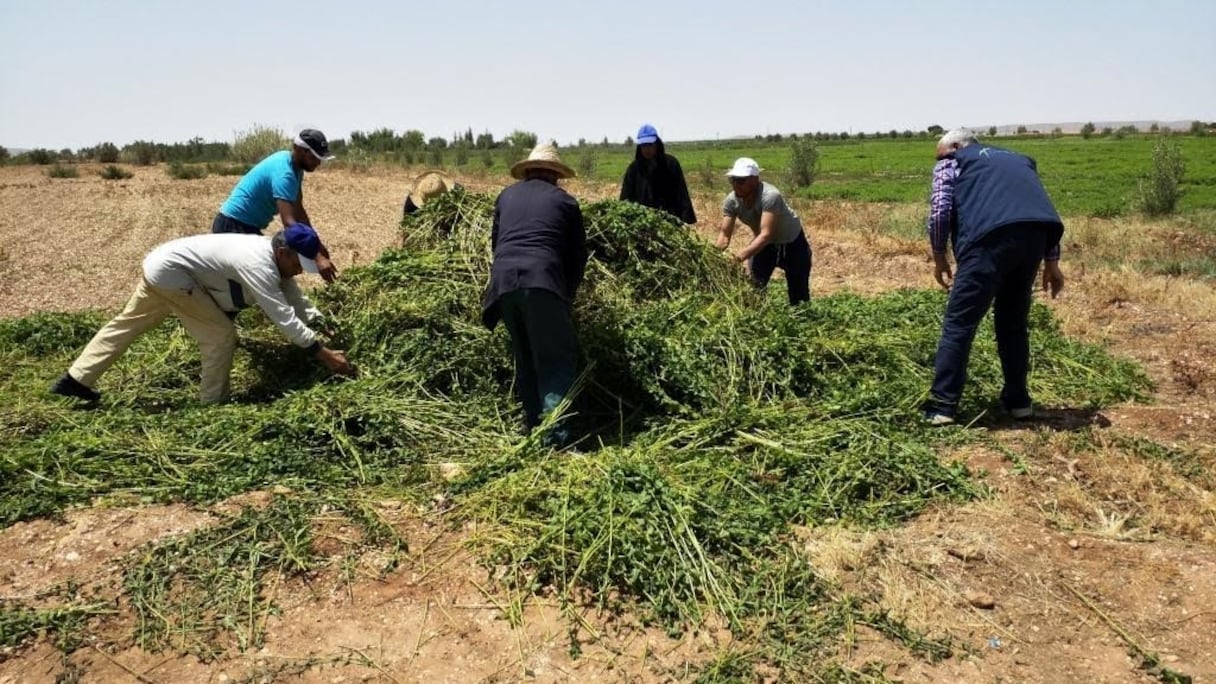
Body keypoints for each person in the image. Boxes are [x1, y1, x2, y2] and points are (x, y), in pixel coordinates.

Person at [49, 225, 354, 405]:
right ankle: (212, 405)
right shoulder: (258, 264)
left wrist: (320, 323)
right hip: (174, 277)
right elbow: (282, 316)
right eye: (299, 264)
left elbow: (296, 302)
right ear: (283, 253)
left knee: (127, 324)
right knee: (221, 336)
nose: (300, 271)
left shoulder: (275, 258)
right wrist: (324, 354)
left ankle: (76, 379)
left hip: (160, 264)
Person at [921, 129, 1066, 425]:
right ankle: (1019, 403)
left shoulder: (953, 161)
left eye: (941, 155)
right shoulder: (1018, 160)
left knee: (959, 323)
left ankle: (942, 406)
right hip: (1034, 239)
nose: (940, 161)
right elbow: (1035, 208)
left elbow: (940, 211)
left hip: (989, 240)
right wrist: (1052, 263)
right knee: (1012, 323)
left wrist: (939, 257)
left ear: (957, 146)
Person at [481, 141, 587, 448]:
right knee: (555, 360)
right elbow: (577, 256)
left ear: (528, 171)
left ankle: (532, 428)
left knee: (525, 356)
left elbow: (497, 243)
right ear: (555, 175)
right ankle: (556, 440)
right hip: (542, 281)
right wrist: (565, 295)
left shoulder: (505, 196)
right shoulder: (565, 202)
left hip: (502, 285)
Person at [212, 129, 339, 283]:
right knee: (256, 280)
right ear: (298, 149)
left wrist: (317, 246)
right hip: (233, 226)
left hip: (246, 225)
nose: (318, 163)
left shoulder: (295, 168)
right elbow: (289, 223)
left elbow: (299, 212)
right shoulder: (285, 174)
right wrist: (317, 257)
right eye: (314, 157)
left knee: (268, 276)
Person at [715, 157, 812, 304]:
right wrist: (714, 255)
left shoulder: (770, 196)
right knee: (754, 289)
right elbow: (724, 235)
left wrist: (739, 257)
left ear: (755, 179)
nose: (736, 185)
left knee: (799, 298)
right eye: (733, 180)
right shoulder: (731, 201)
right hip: (765, 246)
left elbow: (766, 234)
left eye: (741, 181)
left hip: (792, 244)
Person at [619, 124, 696, 225]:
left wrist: (685, 219)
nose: (647, 149)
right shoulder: (634, 169)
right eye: (643, 145)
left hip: (668, 221)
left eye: (650, 145)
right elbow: (625, 198)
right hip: (641, 222)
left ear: (657, 144)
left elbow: (681, 193)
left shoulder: (670, 164)